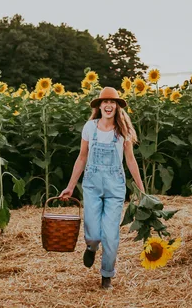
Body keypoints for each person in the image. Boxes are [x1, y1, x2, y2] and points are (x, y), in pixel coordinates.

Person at [59, 86, 147, 290]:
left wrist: (141, 190)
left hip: (115, 187)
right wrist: (70, 186)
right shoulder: (90, 127)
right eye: (104, 102)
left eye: (112, 102)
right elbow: (82, 157)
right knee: (93, 232)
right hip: (92, 184)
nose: (108, 105)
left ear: (117, 106)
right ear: (99, 106)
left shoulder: (123, 131)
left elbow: (131, 161)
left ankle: (107, 274)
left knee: (110, 235)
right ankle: (91, 247)